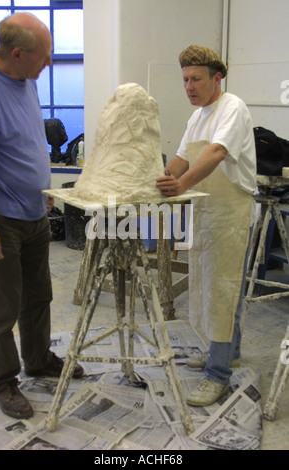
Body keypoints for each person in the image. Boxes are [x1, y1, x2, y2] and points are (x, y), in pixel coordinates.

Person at [0, 13, 83, 420]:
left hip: (34, 212)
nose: (48, 64)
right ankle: (3, 380)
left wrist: (42, 190)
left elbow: (25, 141)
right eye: (44, 57)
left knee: (39, 295)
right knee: (0, 309)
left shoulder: (27, 82)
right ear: (16, 53)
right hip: (1, 219)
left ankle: (37, 358)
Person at [156, 45, 257, 406]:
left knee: (223, 288)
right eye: (184, 79)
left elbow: (216, 153)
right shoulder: (197, 117)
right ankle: (227, 351)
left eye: (196, 79)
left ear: (217, 78)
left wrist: (180, 186)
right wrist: (158, 180)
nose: (189, 86)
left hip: (230, 212)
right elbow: (182, 159)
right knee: (209, 285)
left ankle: (218, 374)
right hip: (205, 212)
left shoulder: (233, 108)